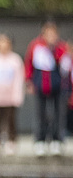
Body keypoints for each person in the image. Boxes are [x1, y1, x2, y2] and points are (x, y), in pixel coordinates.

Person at [24, 20, 69, 156]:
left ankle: (56, 140)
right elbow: (29, 64)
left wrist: (56, 51)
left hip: (57, 86)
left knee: (57, 114)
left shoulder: (61, 47)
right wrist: (29, 81)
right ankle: (40, 140)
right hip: (40, 86)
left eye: (53, 33)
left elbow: (66, 67)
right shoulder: (35, 45)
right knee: (41, 114)